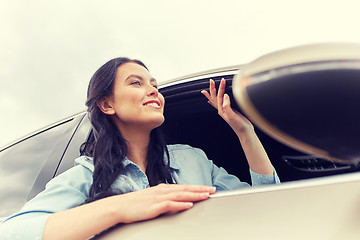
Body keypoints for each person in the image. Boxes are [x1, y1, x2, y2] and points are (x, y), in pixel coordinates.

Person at [0, 57, 280, 239]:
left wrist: (246, 132)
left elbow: (269, 204)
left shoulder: (194, 160)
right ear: (107, 105)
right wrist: (122, 207)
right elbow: (12, 232)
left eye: (154, 85)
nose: (153, 90)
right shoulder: (86, 176)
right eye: (136, 83)